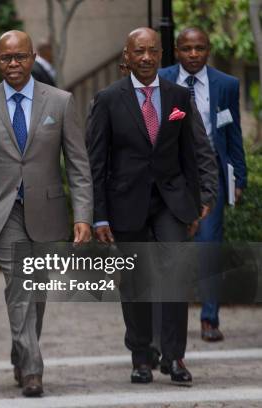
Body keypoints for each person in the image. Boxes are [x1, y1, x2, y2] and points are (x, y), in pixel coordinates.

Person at [0, 30, 93, 397]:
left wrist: (83, 215)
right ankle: (33, 368)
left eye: (19, 57)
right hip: (1, 211)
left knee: (37, 292)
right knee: (19, 286)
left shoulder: (61, 102)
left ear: (33, 58)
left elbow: (79, 164)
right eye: (6, 58)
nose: (13, 64)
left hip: (47, 210)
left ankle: (21, 349)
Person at [87, 27, 200, 386]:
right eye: (140, 51)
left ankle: (175, 356)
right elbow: (96, 163)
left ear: (161, 53)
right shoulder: (107, 98)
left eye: (152, 51)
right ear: (127, 55)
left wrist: (193, 206)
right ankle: (141, 356)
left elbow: (190, 155)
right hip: (126, 203)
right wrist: (98, 215)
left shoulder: (179, 95)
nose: (147, 58)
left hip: (170, 201)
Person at [159, 27, 247, 342]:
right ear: (177, 50)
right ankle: (166, 320)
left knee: (209, 247)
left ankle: (209, 318)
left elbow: (232, 131)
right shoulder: (161, 79)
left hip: (211, 176)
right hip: (172, 176)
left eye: (199, 48)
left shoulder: (225, 84)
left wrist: (240, 175)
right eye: (186, 48)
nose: (193, 54)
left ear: (208, 49)